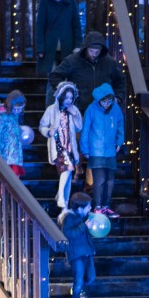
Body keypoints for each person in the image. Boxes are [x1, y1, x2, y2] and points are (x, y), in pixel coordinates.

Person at [47, 31, 126, 114]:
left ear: (101, 50)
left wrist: (118, 97)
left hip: (103, 112)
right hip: (78, 111)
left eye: (97, 51)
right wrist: (66, 90)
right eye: (91, 51)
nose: (94, 54)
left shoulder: (109, 63)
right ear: (86, 48)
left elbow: (120, 81)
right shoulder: (72, 61)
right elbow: (54, 76)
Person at [35, 0, 82, 105]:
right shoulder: (45, 3)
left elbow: (76, 26)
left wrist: (78, 45)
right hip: (50, 48)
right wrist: (40, 48)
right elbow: (40, 26)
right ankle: (50, 112)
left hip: (68, 48)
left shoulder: (71, 2)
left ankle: (68, 111)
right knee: (53, 80)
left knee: (69, 81)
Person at [80, 83, 125, 218]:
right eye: (104, 101)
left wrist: (119, 141)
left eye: (109, 100)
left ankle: (106, 206)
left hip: (110, 151)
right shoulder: (91, 110)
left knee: (109, 181)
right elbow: (86, 130)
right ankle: (98, 206)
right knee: (99, 180)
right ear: (98, 100)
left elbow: (120, 125)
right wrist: (85, 148)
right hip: (96, 150)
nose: (107, 103)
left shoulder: (115, 109)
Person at [39, 80, 82, 210]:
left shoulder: (74, 110)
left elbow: (79, 127)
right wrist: (48, 131)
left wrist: (75, 116)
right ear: (60, 96)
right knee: (68, 169)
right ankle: (61, 197)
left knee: (68, 175)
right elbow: (42, 126)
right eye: (66, 97)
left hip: (69, 146)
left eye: (71, 97)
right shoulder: (51, 110)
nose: (69, 100)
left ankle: (64, 202)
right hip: (57, 146)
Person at [59, 191, 97, 298]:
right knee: (78, 280)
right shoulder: (69, 218)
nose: (90, 208)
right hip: (76, 255)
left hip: (87, 252)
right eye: (88, 206)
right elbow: (69, 234)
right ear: (80, 208)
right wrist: (84, 226)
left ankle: (80, 289)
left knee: (91, 277)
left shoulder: (83, 217)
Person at [0, 89, 27, 177]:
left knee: (14, 180)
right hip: (5, 155)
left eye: (20, 109)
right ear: (10, 105)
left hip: (14, 155)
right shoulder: (1, 117)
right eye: (16, 108)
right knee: (6, 180)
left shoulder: (15, 116)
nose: (18, 111)